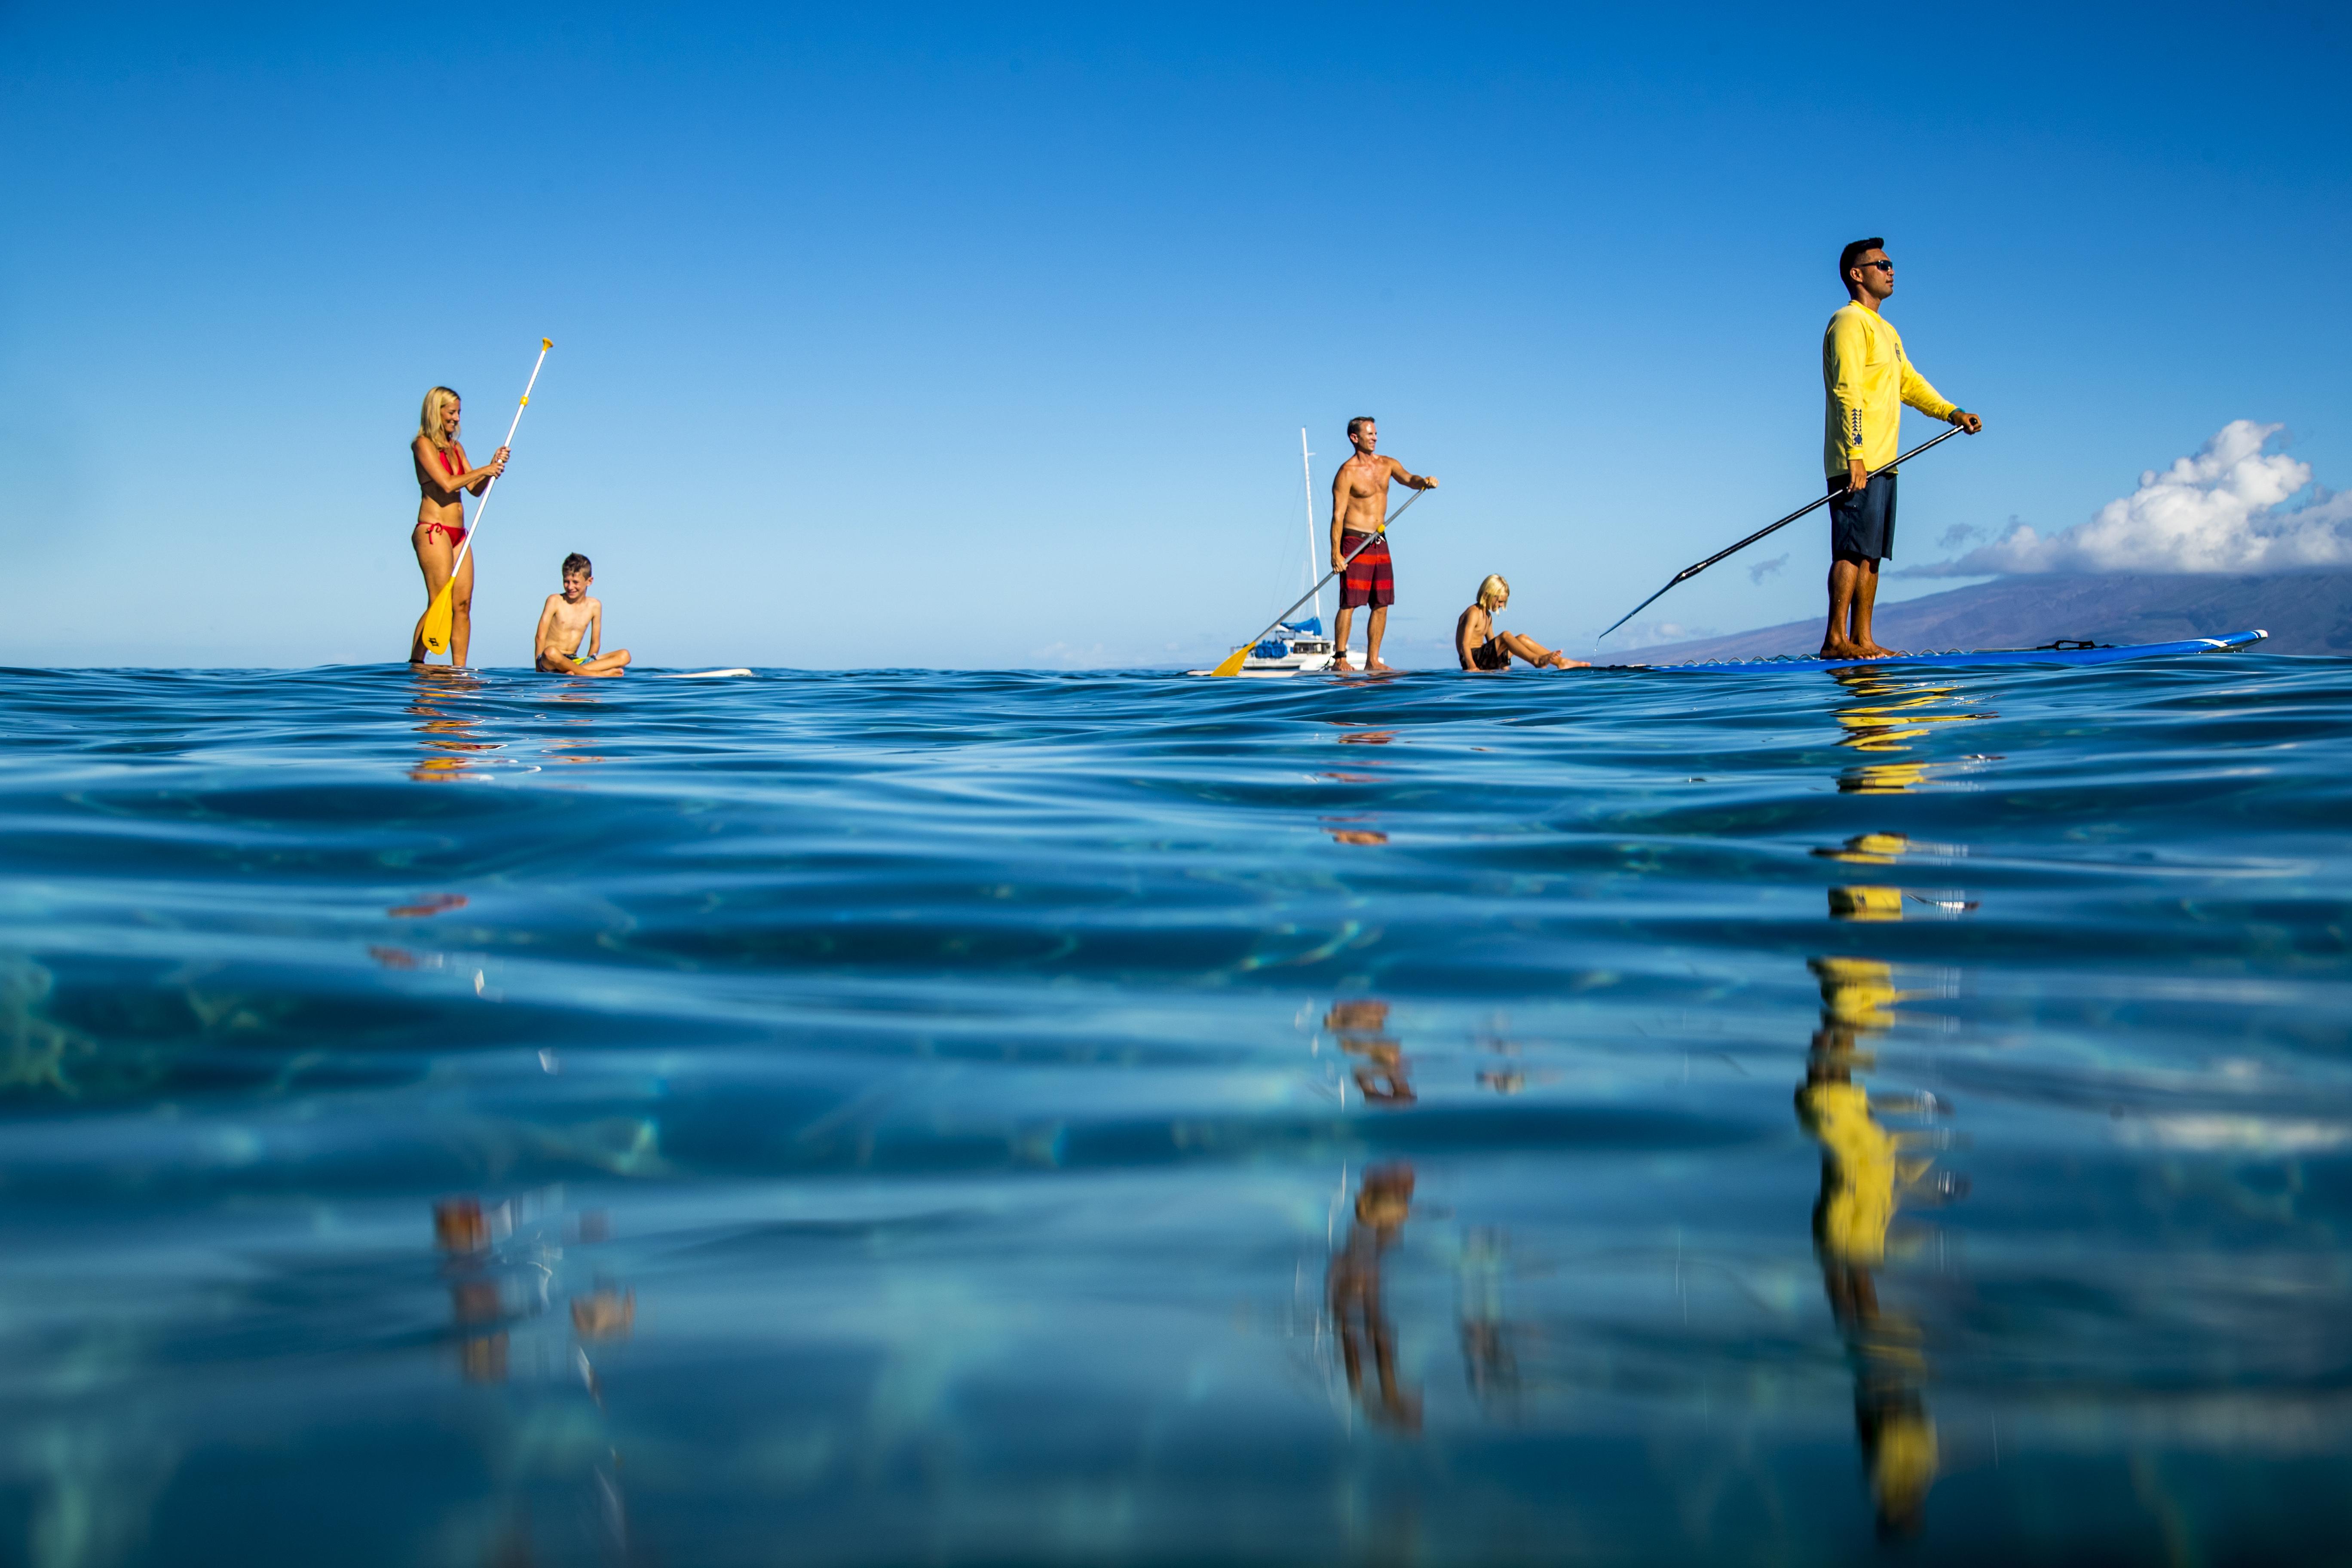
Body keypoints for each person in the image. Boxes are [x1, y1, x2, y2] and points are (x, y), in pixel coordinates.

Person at [1821, 240, 1982, 660]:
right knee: (1851, 551)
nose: (1891, 271)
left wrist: (1952, 412)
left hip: (1885, 461)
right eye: (1882, 264)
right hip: (1855, 460)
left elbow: (1908, 383)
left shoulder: (1887, 331)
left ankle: (1864, 640)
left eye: (1891, 264)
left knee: (1872, 557)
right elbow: (1846, 391)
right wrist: (1855, 453)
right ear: (1858, 274)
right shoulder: (1848, 322)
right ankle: (1836, 640)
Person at [409, 386, 507, 667]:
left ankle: (459, 671)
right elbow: (447, 483)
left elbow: (475, 489)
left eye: (459, 413)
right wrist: (484, 471)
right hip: (434, 530)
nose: (456, 418)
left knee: (462, 606)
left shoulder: (456, 447)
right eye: (451, 412)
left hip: (459, 535)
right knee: (439, 599)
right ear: (435, 411)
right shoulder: (423, 444)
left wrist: (492, 467)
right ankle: (416, 665)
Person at [1329, 416, 1436, 672]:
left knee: (1382, 602)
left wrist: (1424, 482)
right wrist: (1335, 552)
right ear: (1355, 438)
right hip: (1354, 540)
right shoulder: (1346, 473)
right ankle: (1341, 658)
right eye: (1369, 434)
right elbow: (1338, 515)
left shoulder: (1387, 464)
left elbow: (1409, 478)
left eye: (1376, 433)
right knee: (1350, 602)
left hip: (1379, 540)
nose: (1375, 437)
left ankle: (1372, 660)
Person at [1454, 574, 1588, 671]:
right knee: (1506, 636)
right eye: (1500, 601)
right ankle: (1536, 660)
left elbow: (1493, 645)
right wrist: (1472, 668)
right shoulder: (1473, 613)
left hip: (1482, 659)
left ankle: (1561, 662)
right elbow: (1465, 645)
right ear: (1487, 595)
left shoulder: (1488, 616)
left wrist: (1503, 666)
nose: (1501, 605)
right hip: (1471, 659)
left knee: (1522, 638)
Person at [534, 553, 632, 676]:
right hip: (552, 661)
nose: (570, 587)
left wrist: (590, 661)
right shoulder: (555, 600)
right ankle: (595, 674)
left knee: (625, 655)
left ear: (589, 581)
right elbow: (540, 636)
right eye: (566, 581)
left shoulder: (595, 605)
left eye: (575, 582)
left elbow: (595, 642)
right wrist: (538, 669)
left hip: (576, 662)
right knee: (550, 652)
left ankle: (577, 672)